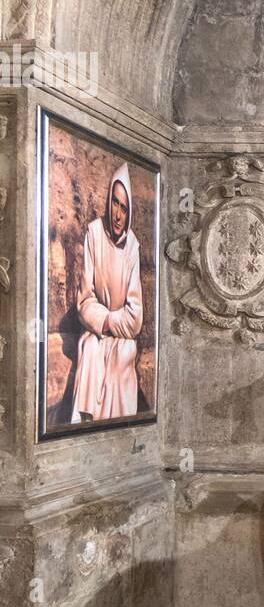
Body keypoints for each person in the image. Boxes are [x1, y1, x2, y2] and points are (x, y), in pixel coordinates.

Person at [71, 162, 143, 422]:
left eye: (123, 208)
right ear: (108, 200)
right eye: (115, 203)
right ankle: (85, 424)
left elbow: (135, 319)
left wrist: (109, 321)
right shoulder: (94, 233)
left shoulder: (132, 246)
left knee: (123, 354)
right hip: (97, 331)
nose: (118, 214)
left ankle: (116, 435)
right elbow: (84, 300)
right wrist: (108, 321)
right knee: (89, 347)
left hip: (118, 335)